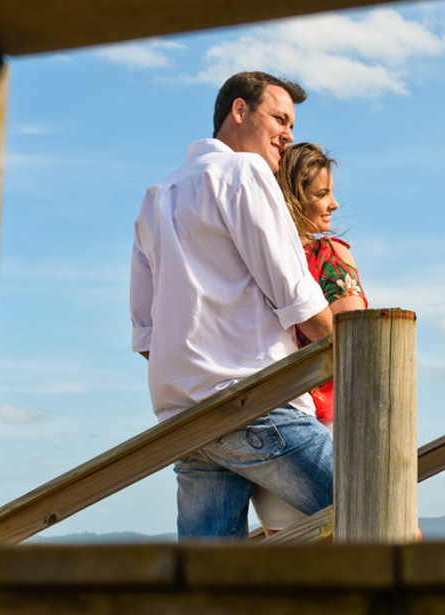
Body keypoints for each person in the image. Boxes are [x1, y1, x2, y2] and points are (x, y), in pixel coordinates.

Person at [129, 71, 335, 540]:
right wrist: (358, 355)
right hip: (258, 402)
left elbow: (146, 334)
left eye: (293, 126)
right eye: (280, 119)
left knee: (211, 588)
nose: (288, 135)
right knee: (386, 514)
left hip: (186, 422)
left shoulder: (154, 198)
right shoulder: (244, 172)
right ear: (239, 111)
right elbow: (296, 296)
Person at [251, 142, 368, 533]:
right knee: (376, 521)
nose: (333, 204)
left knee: (289, 542)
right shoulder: (329, 255)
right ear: (292, 199)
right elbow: (355, 341)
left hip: (269, 418)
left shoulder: (249, 264)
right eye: (321, 194)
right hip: (328, 421)